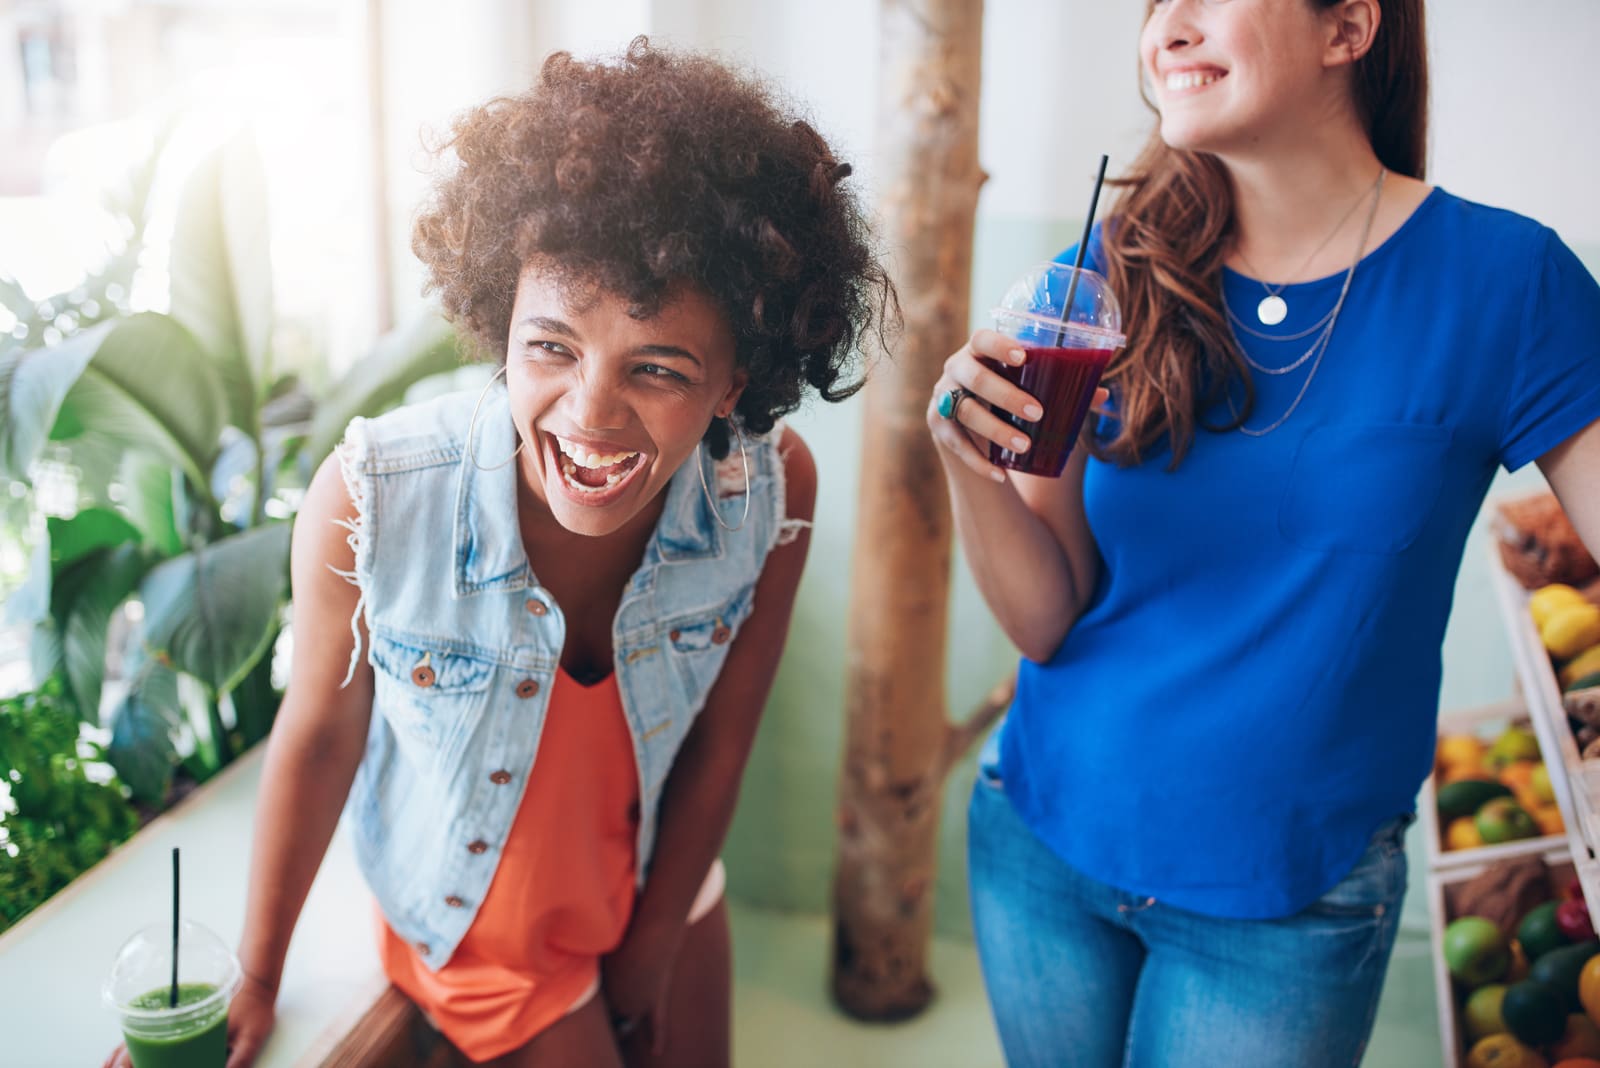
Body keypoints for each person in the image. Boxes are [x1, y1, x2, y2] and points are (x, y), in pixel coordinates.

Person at [107, 38, 892, 1068]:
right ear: (500, 323)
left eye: (657, 368)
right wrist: (257, 975)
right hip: (488, 930)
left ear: (734, 384)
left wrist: (650, 953)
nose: (591, 415)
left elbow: (720, 744)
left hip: (660, 881)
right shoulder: (372, 499)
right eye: (551, 347)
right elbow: (319, 736)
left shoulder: (770, 488)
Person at [928, 1, 1600, 1064]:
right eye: (1158, 3)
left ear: (1349, 29)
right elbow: (1047, 622)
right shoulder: (1103, 270)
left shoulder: (1506, 284)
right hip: (1040, 841)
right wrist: (968, 468)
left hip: (1287, 903)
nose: (1170, 26)